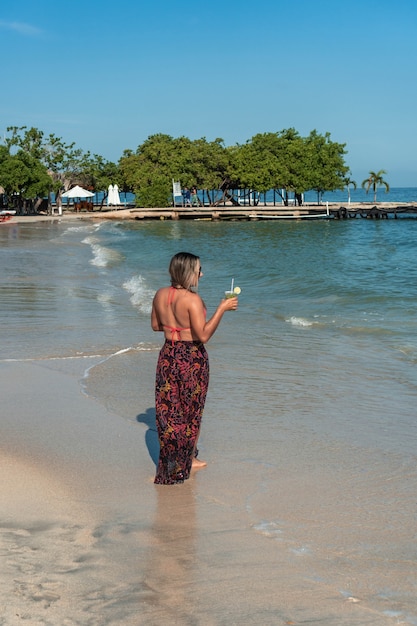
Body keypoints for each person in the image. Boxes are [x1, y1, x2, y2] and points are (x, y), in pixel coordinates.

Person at [151, 252, 238, 485]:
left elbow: (155, 325)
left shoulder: (160, 294)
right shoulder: (193, 300)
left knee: (168, 411)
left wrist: (176, 328)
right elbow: (204, 335)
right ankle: (187, 460)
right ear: (188, 272)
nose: (202, 273)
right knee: (191, 411)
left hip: (168, 355)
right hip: (191, 359)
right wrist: (222, 309)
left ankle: (172, 462)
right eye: (199, 269)